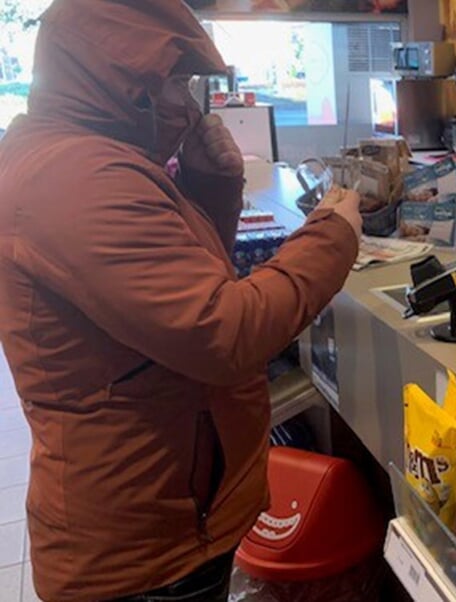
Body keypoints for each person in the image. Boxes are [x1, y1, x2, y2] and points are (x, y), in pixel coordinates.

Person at [0, 1, 363, 600]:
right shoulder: (79, 177)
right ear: (124, 79)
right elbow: (223, 332)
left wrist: (206, 186)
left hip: (162, 516)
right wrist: (334, 235)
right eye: (173, 81)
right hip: (145, 549)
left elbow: (175, 292)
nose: (186, 104)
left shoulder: (79, 156)